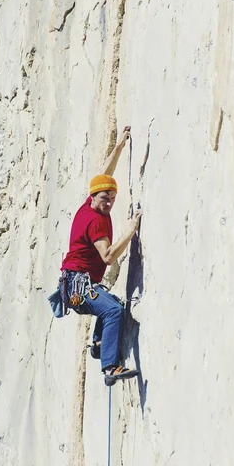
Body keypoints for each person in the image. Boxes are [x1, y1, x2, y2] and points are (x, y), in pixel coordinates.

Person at [59, 127, 142, 386]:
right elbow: (107, 256)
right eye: (105, 198)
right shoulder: (95, 222)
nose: (109, 203)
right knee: (114, 309)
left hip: (74, 284)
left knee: (110, 302)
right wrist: (131, 231)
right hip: (78, 286)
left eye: (113, 199)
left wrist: (118, 146)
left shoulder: (90, 202)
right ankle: (110, 367)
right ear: (94, 197)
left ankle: (98, 342)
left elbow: (104, 175)